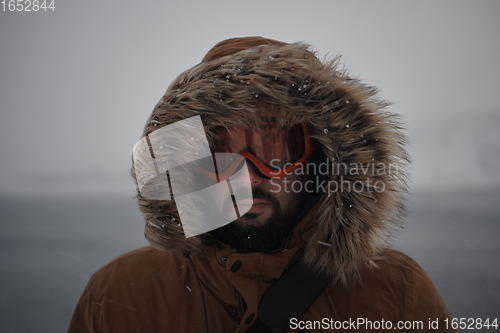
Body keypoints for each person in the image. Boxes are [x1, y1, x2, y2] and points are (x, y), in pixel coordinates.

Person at [68, 37, 457, 332]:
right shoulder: (119, 296)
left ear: (321, 160)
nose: (248, 175)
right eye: (221, 153)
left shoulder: (397, 293)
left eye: (276, 149)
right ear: (188, 167)